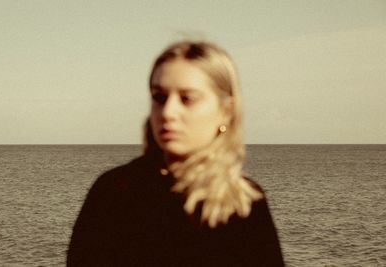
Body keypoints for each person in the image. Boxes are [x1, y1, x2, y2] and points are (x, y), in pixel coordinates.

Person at [67, 41, 284, 266]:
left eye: (187, 99)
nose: (168, 112)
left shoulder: (244, 203)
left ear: (226, 111)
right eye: (159, 97)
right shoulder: (114, 192)